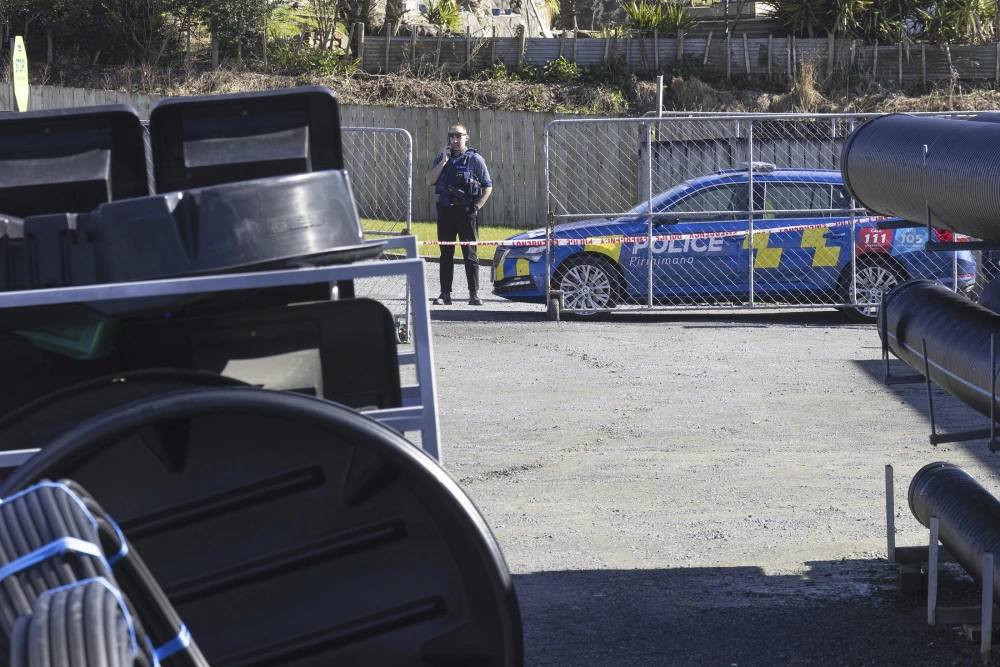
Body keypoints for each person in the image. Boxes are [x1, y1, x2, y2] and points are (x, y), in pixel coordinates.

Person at [424, 124, 493, 306]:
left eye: (459, 136)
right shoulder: (441, 158)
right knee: (445, 254)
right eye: (452, 136)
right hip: (446, 211)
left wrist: (476, 207)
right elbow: (429, 180)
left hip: (466, 212)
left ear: (466, 138)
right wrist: (444, 161)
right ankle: (445, 294)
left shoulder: (475, 159)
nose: (455, 140)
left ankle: (473, 294)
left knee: (469, 254)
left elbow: (488, 186)